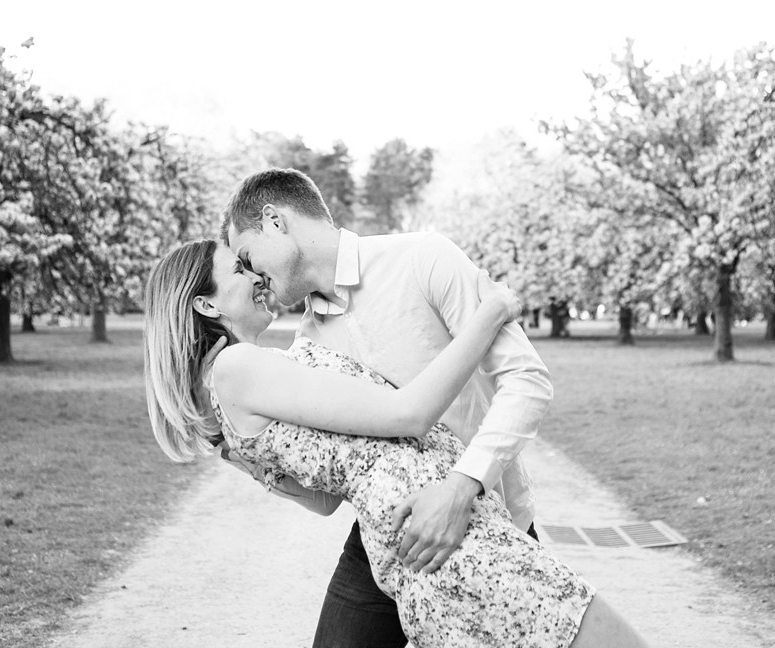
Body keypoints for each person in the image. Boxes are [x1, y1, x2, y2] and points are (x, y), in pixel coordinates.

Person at [142, 238, 649, 647]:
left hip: (406, 535)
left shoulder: (217, 395)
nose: (255, 278)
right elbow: (409, 414)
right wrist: (491, 312)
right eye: (238, 270)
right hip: (444, 530)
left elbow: (322, 502)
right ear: (205, 303)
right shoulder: (239, 367)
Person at [221, 168, 553, 646]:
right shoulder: (307, 346)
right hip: (384, 534)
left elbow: (528, 380)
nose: (252, 276)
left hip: (488, 517)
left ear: (275, 221)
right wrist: (242, 452)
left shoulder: (424, 259)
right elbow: (326, 498)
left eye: (248, 256)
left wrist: (461, 489)